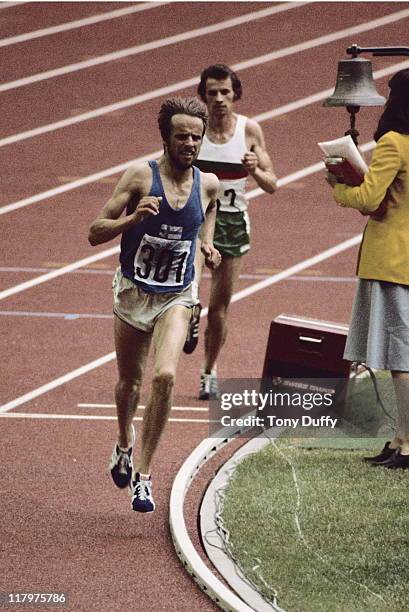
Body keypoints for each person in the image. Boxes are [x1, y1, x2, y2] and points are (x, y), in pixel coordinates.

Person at [88, 97, 221, 512]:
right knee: (130, 382)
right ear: (165, 138)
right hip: (133, 292)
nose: (189, 144)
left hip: (177, 296)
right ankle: (124, 442)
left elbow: (210, 210)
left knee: (164, 376)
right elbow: (94, 232)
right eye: (181, 136)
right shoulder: (139, 178)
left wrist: (206, 242)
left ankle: (144, 476)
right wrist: (132, 220)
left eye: (196, 137)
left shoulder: (208, 183)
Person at [326, 68, 409, 469]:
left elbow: (370, 197)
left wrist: (338, 186)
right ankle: (402, 438)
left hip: (389, 259)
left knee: (403, 357)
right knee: (405, 354)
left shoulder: (394, 142)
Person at [188, 63, 277, 400]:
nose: (219, 99)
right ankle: (190, 309)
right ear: (202, 97)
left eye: (225, 92)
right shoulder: (193, 132)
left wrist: (255, 171)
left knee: (220, 309)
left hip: (232, 223)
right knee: (190, 292)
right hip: (196, 220)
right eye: (212, 93)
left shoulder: (249, 131)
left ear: (235, 94)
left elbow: (272, 184)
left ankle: (208, 370)